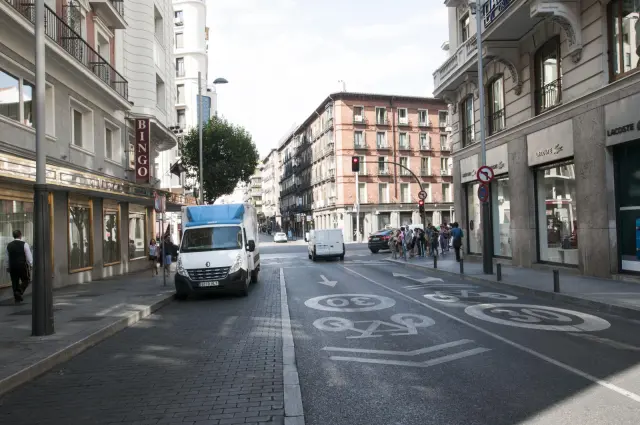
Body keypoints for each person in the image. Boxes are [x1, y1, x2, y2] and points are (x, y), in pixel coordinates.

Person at [6, 230, 33, 303]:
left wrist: (8, 266)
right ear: (20, 235)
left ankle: (17, 298)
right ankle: (19, 291)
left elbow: (7, 257)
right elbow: (28, 255)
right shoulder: (24, 244)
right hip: (22, 265)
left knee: (15, 282)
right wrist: (31, 264)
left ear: (13, 236)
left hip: (12, 266)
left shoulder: (9, 245)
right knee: (26, 279)